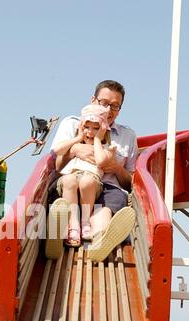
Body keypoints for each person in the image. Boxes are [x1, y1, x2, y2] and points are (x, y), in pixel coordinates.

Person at [45, 79, 137, 261]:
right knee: (67, 190)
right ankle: (58, 232)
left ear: (120, 109)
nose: (108, 110)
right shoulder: (73, 124)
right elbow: (55, 164)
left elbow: (131, 182)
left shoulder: (127, 135)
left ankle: (99, 241)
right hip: (71, 181)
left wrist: (116, 167)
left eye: (115, 106)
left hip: (107, 186)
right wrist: (74, 150)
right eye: (104, 103)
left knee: (103, 210)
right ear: (93, 100)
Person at [52, 104, 116, 247]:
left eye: (96, 128)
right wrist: (77, 138)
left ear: (103, 130)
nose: (91, 132)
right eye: (87, 127)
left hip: (92, 182)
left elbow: (100, 161)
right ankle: (73, 225)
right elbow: (57, 150)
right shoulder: (74, 146)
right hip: (71, 178)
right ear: (81, 126)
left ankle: (85, 222)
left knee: (86, 181)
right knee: (69, 180)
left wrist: (98, 140)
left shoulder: (106, 148)